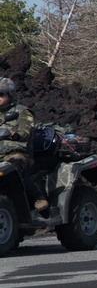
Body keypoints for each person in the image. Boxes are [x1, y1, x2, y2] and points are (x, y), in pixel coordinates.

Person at [0, 77, 48, 213]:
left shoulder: (22, 112)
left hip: (16, 152)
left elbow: (25, 132)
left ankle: (37, 197)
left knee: (15, 164)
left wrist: (12, 133)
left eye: (1, 94)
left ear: (9, 95)